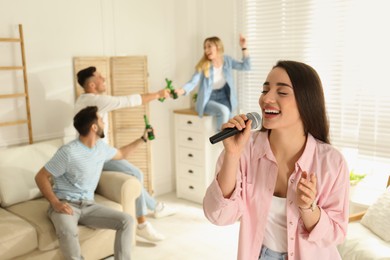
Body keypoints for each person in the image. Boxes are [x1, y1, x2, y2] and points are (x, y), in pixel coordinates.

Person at [203, 60, 349, 260]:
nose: (266, 99)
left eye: (282, 92)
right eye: (265, 90)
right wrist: (232, 155)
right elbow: (218, 215)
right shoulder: (245, 149)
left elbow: (336, 234)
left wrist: (309, 208)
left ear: (306, 100)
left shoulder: (332, 162)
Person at [74, 66, 176, 242]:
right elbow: (130, 100)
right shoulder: (95, 101)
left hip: (98, 152)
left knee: (134, 174)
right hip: (95, 157)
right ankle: (142, 223)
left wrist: (142, 139)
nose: (104, 78)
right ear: (91, 84)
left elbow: (119, 153)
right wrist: (159, 94)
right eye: (100, 77)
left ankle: (156, 207)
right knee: (136, 173)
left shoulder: (82, 100)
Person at [35, 106, 138, 260]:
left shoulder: (101, 148)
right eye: (101, 120)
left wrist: (142, 139)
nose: (104, 122)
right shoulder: (68, 152)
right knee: (68, 231)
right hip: (66, 204)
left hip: (89, 205)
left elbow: (122, 153)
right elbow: (41, 176)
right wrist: (55, 203)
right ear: (94, 127)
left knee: (127, 220)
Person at [175, 35, 251, 130]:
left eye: (209, 46)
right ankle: (221, 138)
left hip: (225, 97)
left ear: (218, 46)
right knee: (224, 111)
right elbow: (193, 82)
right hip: (208, 99)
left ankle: (226, 141)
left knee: (232, 123)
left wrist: (244, 46)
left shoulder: (227, 60)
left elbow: (246, 66)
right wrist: (181, 91)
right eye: (205, 48)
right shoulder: (204, 65)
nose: (206, 50)